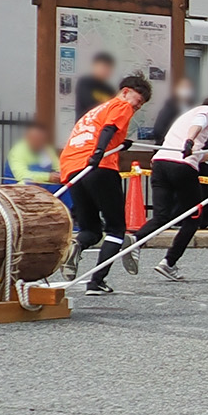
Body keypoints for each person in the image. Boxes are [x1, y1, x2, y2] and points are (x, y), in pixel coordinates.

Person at [59, 72, 152, 294]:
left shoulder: (96, 111)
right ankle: (96, 281)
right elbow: (109, 129)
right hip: (99, 166)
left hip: (73, 168)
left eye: (140, 106)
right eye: (137, 102)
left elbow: (105, 131)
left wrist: (119, 142)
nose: (136, 108)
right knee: (116, 228)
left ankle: (77, 245)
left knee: (91, 229)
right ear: (126, 92)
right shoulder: (122, 106)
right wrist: (100, 152)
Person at [132, 96, 208, 281]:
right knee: (193, 218)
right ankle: (169, 262)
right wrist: (190, 140)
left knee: (161, 216)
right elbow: (198, 129)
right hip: (182, 166)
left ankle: (136, 239)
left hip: (160, 163)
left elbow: (198, 156)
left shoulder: (184, 118)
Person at [4, 123, 60, 188]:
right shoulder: (17, 151)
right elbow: (21, 175)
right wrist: (48, 177)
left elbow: (58, 167)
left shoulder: (47, 149)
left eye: (41, 139)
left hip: (45, 184)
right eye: (35, 139)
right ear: (28, 138)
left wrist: (60, 176)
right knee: (29, 183)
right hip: (18, 186)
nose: (38, 142)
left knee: (65, 188)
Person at [74, 52, 118, 118]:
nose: (104, 71)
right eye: (102, 67)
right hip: (86, 125)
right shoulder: (85, 82)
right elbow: (90, 105)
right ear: (94, 66)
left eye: (108, 68)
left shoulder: (109, 89)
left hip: (103, 127)